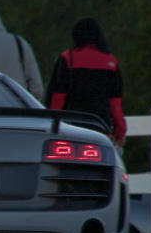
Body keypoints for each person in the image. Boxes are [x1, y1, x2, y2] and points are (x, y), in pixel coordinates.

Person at [46, 17, 126, 147]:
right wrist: (120, 131)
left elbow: (57, 98)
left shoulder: (67, 59)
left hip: (72, 127)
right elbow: (115, 103)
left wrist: (53, 126)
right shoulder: (111, 62)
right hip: (101, 127)